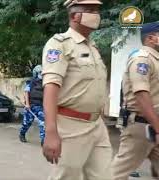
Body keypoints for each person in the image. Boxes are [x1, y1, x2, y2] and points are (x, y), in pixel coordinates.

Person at [41, 0, 112, 179]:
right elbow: (50, 88)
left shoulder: (93, 48)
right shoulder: (60, 44)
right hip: (70, 125)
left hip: (97, 125)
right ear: (74, 16)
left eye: (97, 10)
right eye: (90, 10)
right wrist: (51, 133)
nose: (96, 14)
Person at [111, 22, 159, 179]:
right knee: (118, 172)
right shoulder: (142, 59)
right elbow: (141, 94)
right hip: (142, 126)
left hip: (152, 124)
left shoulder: (155, 60)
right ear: (151, 38)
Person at [19, 65, 45, 145]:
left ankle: (43, 141)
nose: (41, 74)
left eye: (42, 72)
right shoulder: (31, 82)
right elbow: (26, 92)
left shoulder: (44, 83)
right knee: (27, 123)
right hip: (31, 106)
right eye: (40, 72)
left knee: (42, 123)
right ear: (36, 73)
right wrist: (27, 104)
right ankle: (22, 134)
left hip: (40, 106)